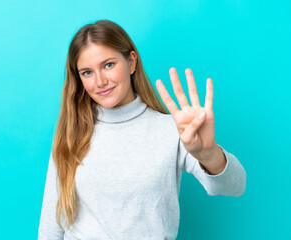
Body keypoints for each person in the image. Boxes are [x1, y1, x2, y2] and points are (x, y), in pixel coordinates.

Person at [38, 19, 246, 240]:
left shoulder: (176, 131)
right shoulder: (71, 136)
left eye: (108, 65)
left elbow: (236, 186)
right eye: (87, 72)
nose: (100, 81)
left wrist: (209, 153)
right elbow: (52, 223)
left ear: (131, 62)